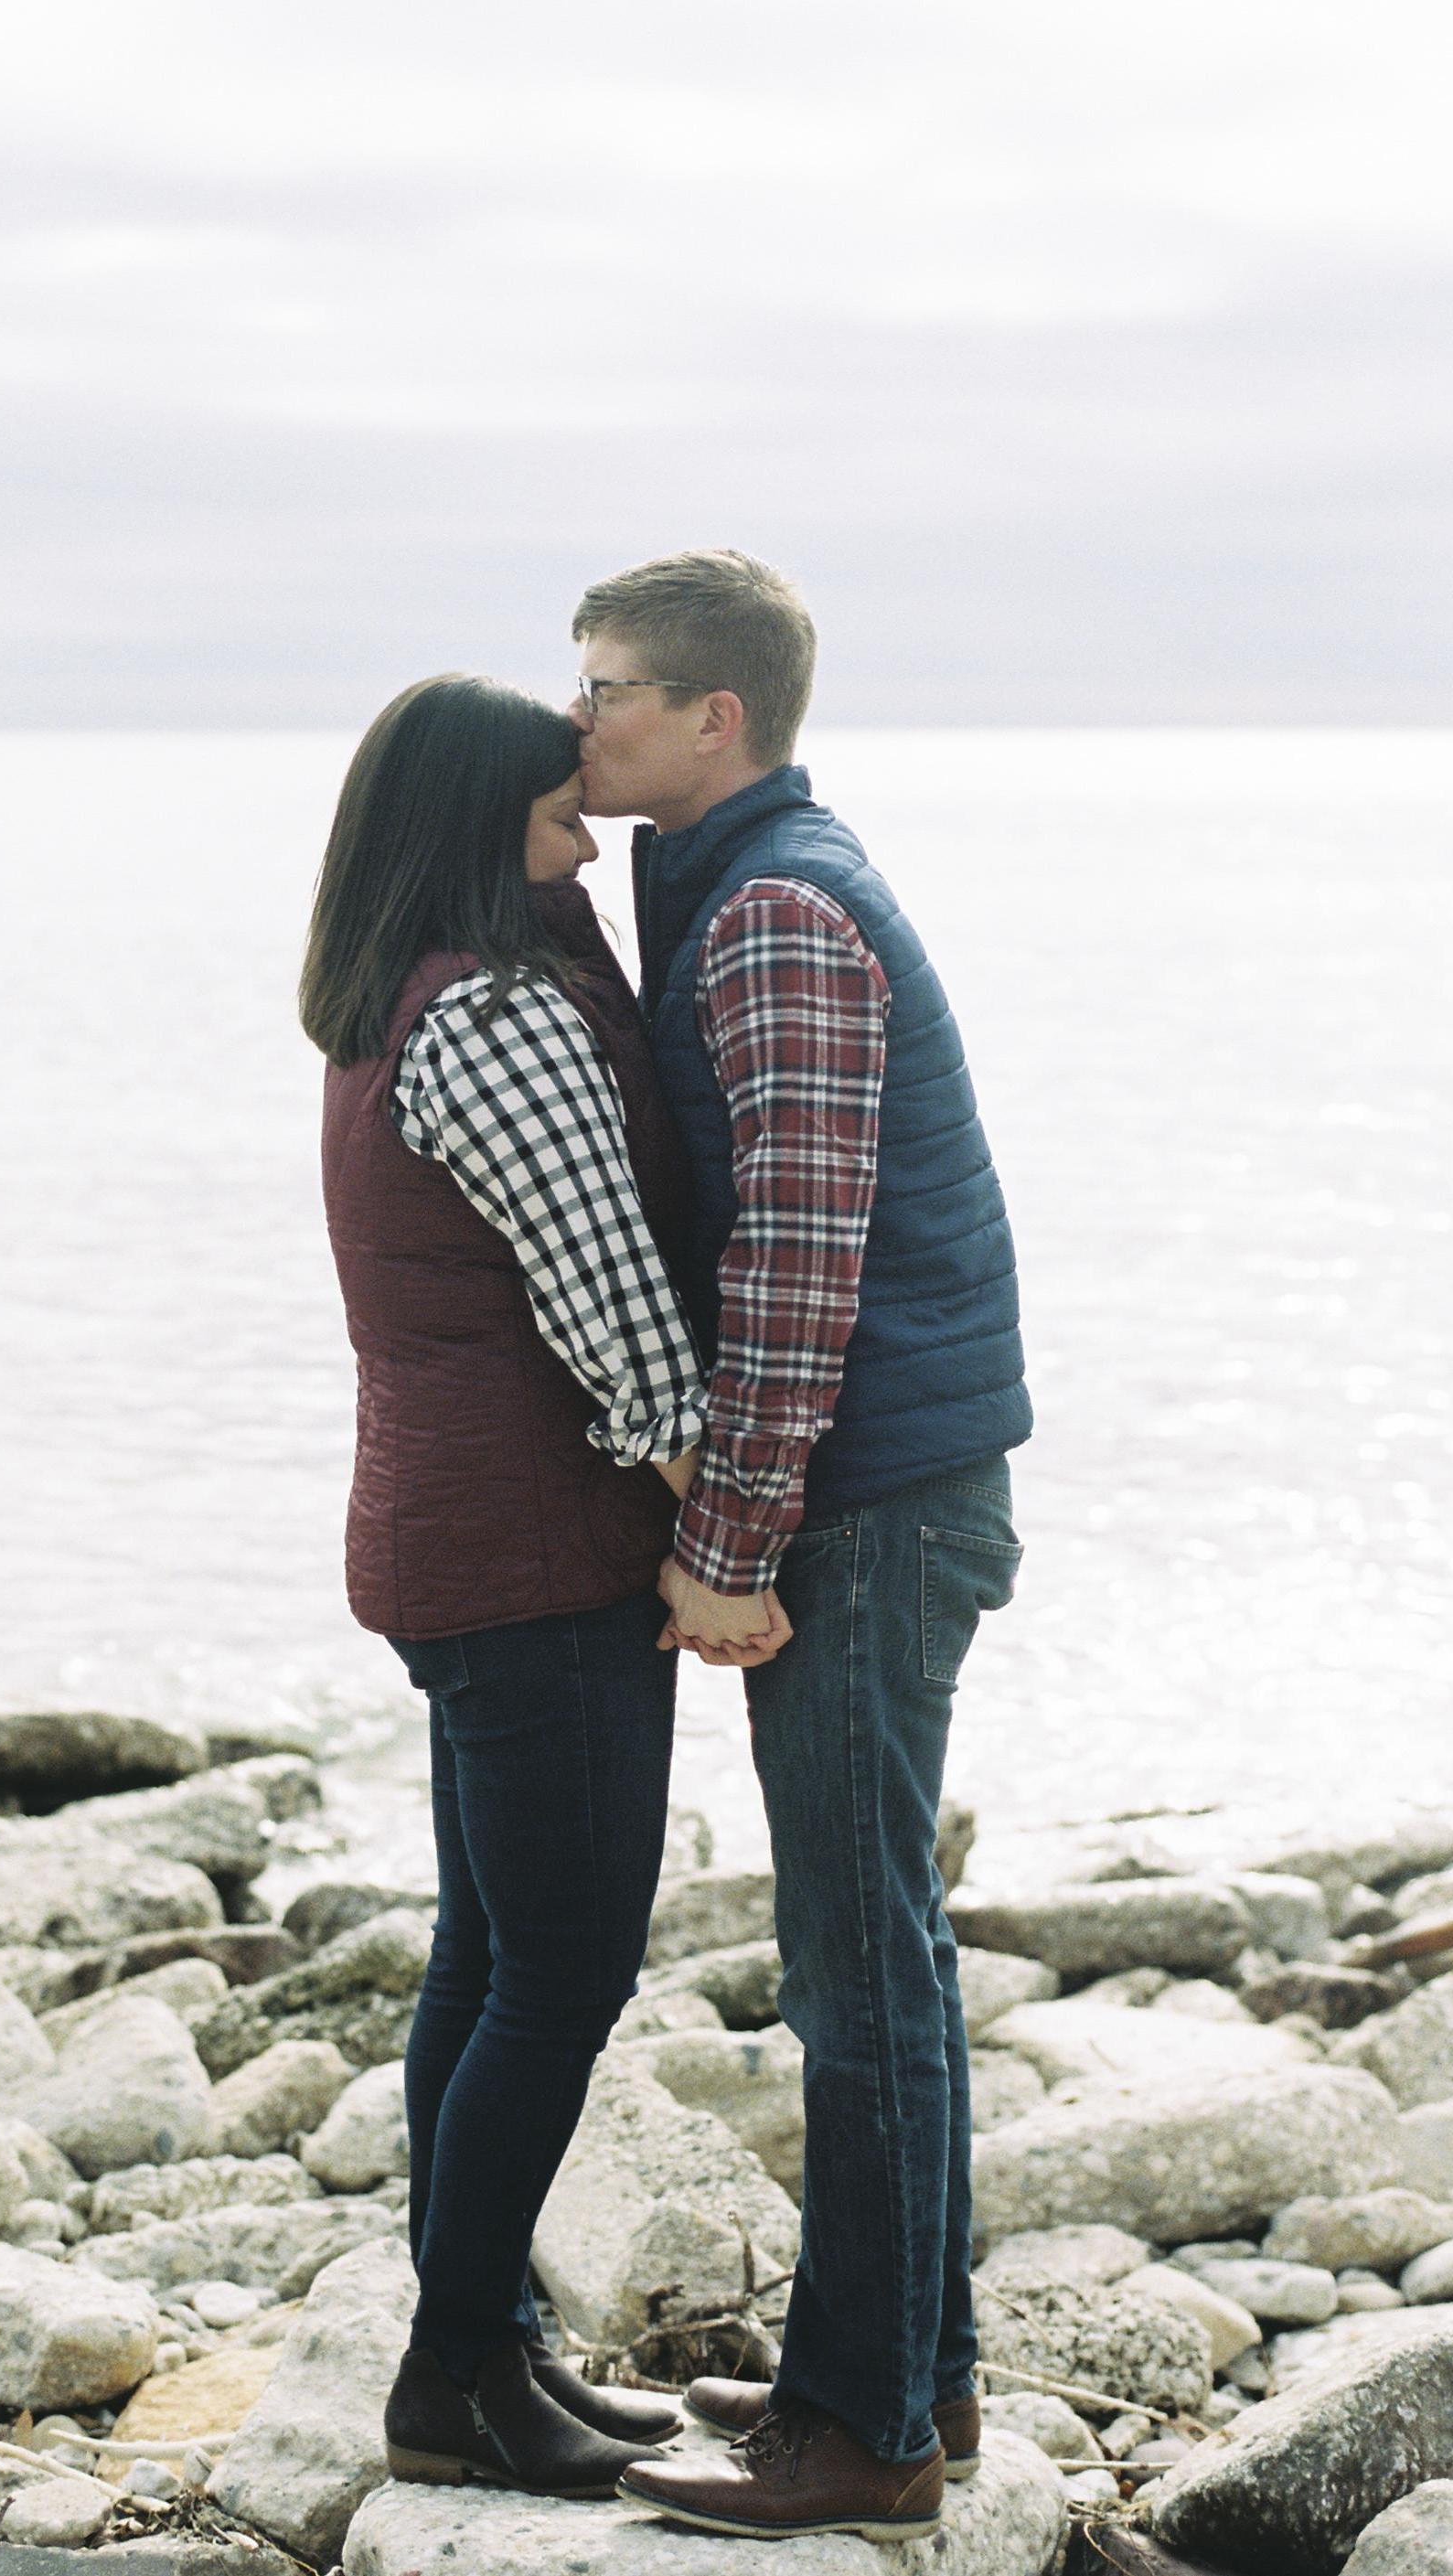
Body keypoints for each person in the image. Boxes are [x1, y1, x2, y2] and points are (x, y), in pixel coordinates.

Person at [570, 553, 1033, 2544]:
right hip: (886, 1479)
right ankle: (912, 2369)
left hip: (869, 1498)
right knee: (878, 1947)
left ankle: (862, 2434)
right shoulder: (738, 877)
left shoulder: (771, 907)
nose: (574, 720)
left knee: (853, 1968)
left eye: (604, 688)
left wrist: (730, 1537)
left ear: (714, 717)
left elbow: (795, 1256)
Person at [299, 672, 784, 2497]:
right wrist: (724, 1548)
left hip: (457, 1545)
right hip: (530, 1561)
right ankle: (453, 2372)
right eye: (560, 814)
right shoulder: (495, 1013)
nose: (588, 845)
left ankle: (487, 2348)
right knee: (561, 1969)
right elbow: (619, 1325)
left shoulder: (396, 992)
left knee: (489, 1955)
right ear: (473, 826)